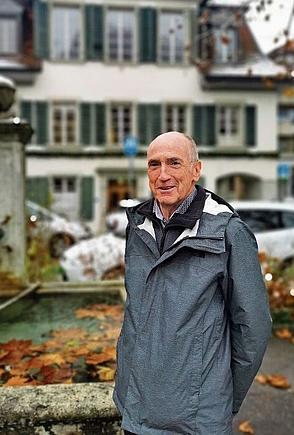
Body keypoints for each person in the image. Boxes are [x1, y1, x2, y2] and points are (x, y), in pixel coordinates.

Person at [113, 131, 272, 435]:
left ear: (196, 170)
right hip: (134, 409)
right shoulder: (138, 225)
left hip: (196, 420)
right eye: (154, 164)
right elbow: (135, 315)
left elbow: (253, 327)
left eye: (174, 163)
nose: (163, 175)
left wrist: (221, 396)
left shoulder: (229, 232)